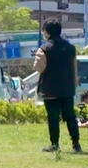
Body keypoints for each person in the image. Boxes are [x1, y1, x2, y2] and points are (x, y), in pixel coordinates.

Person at [34, 19, 81, 153]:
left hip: (50, 89)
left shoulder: (44, 49)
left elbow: (39, 68)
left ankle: (55, 145)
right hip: (67, 88)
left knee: (53, 118)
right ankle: (76, 144)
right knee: (70, 117)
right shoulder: (70, 48)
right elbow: (74, 68)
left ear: (47, 31)